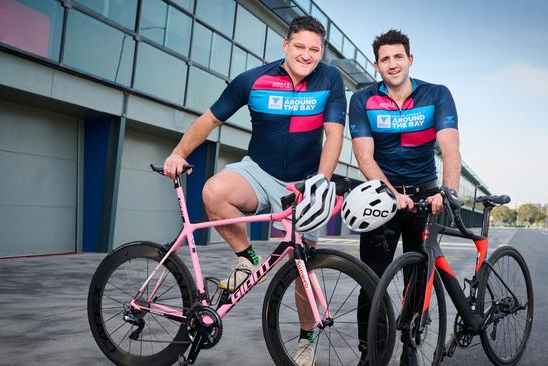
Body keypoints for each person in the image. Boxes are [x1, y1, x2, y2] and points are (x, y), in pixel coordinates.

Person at [163, 16, 346, 366]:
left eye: (314, 50)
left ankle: (306, 339)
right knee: (214, 192)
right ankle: (247, 259)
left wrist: (322, 180)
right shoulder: (253, 80)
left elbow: (334, 134)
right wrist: (178, 153)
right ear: (285, 46)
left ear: (321, 53)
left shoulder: (330, 79)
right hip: (259, 171)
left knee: (304, 267)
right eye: (300, 47)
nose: (306, 55)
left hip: (306, 181)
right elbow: (208, 120)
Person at [348, 29, 462, 365]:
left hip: (426, 195)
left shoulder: (436, 95)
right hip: (382, 196)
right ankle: (372, 353)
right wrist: (392, 194)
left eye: (398, 57)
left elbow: (451, 149)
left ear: (409, 60)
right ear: (377, 65)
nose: (393, 64)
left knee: (418, 276)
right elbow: (364, 157)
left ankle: (411, 344)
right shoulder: (363, 99)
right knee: (372, 280)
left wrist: (449, 190)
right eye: (385, 59)